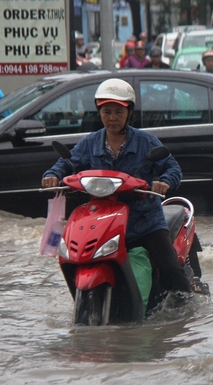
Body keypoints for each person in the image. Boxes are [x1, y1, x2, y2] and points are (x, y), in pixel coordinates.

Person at [41, 79, 193, 295]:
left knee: (171, 270)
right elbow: (66, 163)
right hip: (103, 223)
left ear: (129, 113)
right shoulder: (89, 143)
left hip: (144, 222)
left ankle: (184, 308)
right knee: (73, 258)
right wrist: (52, 175)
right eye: (106, 111)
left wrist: (165, 182)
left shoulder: (146, 141)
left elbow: (172, 167)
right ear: (99, 112)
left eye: (118, 112)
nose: (112, 117)